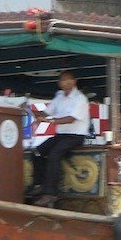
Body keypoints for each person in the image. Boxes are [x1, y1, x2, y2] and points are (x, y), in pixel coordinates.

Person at [32, 71, 90, 207]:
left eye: (69, 80)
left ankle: (51, 193)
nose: (67, 83)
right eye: (64, 81)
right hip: (61, 135)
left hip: (76, 136)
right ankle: (39, 184)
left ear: (75, 81)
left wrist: (50, 121)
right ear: (59, 83)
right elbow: (46, 113)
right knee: (37, 151)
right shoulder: (59, 96)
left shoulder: (80, 99)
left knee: (54, 154)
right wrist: (30, 111)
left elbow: (70, 119)